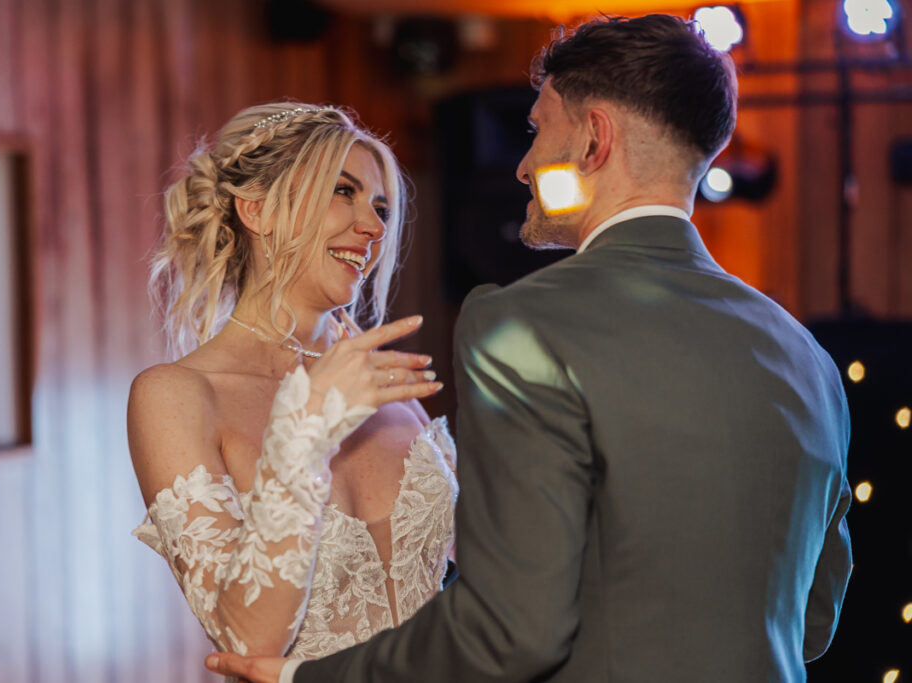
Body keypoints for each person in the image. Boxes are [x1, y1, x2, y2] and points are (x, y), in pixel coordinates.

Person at [207, 14, 852, 683]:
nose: (523, 165)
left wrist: (308, 676)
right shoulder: (807, 358)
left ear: (594, 140)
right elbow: (812, 621)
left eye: (538, 129)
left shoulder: (522, 325)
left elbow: (513, 634)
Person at [127, 103, 458, 670]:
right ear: (257, 211)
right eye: (343, 191)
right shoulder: (177, 395)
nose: (375, 228)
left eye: (380, 207)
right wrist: (303, 438)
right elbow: (250, 642)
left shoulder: (384, 383)